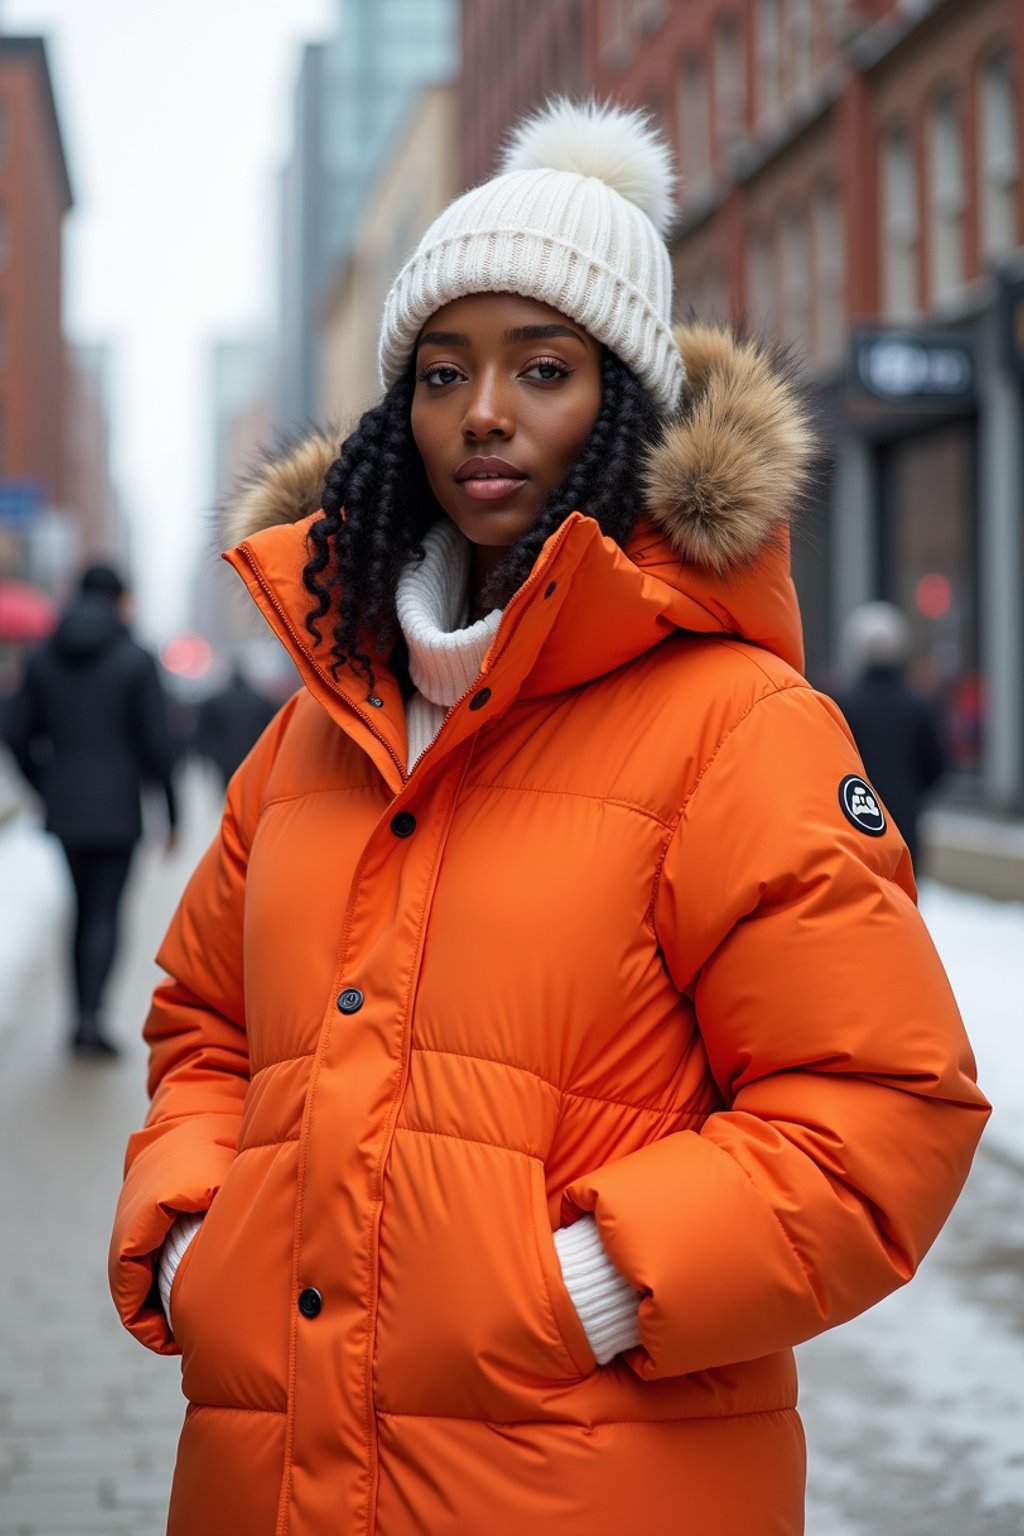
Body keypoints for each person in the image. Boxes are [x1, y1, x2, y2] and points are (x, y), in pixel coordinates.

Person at [109, 100, 987, 1535]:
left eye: (545, 367)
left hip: (587, 1479)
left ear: (623, 401)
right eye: (444, 372)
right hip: (272, 1478)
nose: (486, 414)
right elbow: (204, 1026)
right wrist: (203, 1236)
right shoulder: (314, 736)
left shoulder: (735, 728)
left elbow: (878, 1112)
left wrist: (587, 1288)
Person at [8, 562, 178, 1056]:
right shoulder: (135, 658)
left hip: (65, 808)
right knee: (106, 910)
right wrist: (170, 812)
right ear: (120, 599)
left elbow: (17, 734)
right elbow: (156, 744)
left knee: (82, 909)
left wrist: (45, 783)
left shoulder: (42, 658)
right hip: (119, 808)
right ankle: (92, 1017)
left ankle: (77, 1015)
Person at [834, 601, 948, 870]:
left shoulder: (842, 705)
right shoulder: (918, 705)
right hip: (905, 823)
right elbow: (938, 765)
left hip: (855, 824)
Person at [192, 659, 277, 790]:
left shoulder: (216, 703)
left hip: (227, 760)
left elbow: (204, 733)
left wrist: (212, 756)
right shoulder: (261, 701)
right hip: (256, 757)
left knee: (232, 794)